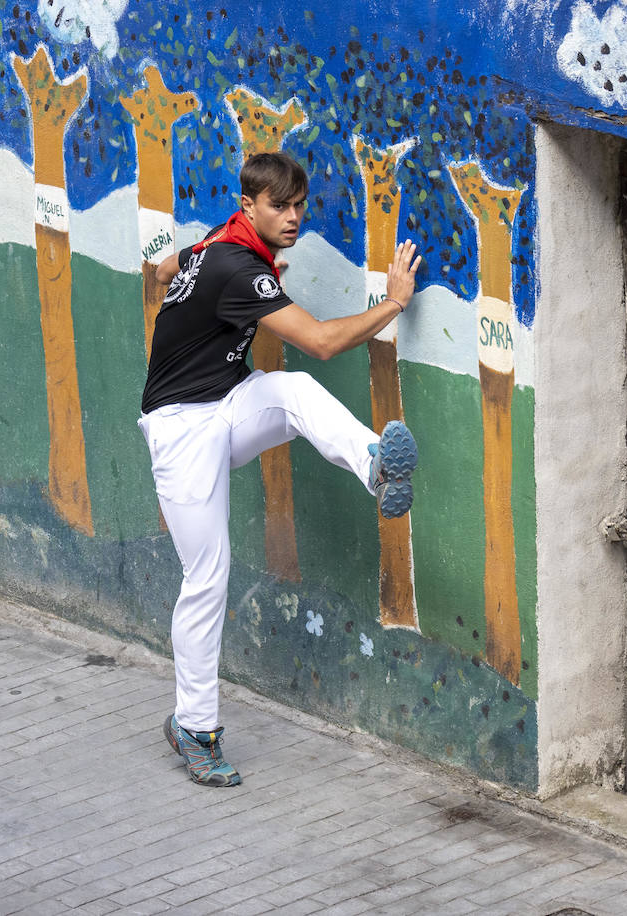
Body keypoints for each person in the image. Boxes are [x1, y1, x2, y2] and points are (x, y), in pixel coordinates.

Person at [140, 151, 422, 787]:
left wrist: (175, 278)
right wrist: (393, 303)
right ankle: (195, 725)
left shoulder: (219, 242)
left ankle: (376, 463)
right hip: (180, 431)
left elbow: (166, 268)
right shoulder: (237, 263)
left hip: (229, 405)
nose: (293, 217)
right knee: (207, 576)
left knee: (290, 393)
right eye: (280, 208)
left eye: (299, 206)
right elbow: (320, 341)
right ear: (250, 207)